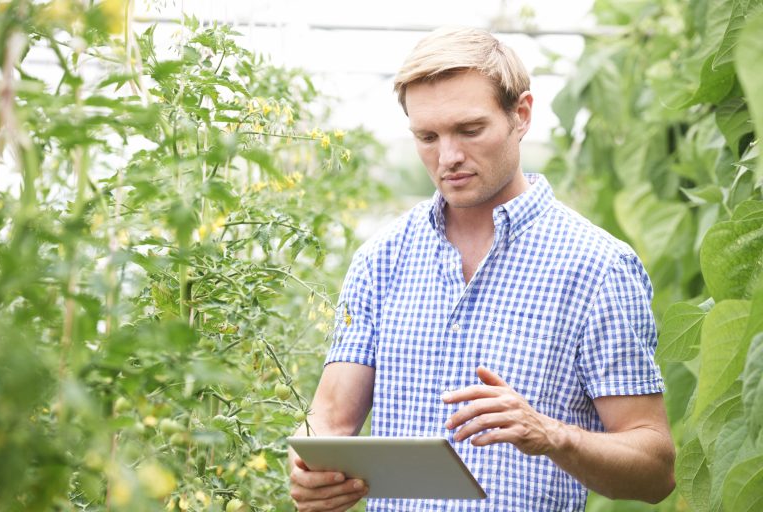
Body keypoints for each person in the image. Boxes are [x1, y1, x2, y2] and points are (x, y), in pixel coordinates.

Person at [288, 25, 675, 511]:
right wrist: (309, 468)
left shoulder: (598, 267)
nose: (448, 157)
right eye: (427, 136)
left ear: (522, 114)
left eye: (470, 130)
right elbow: (329, 418)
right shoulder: (380, 259)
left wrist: (551, 434)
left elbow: (656, 469)